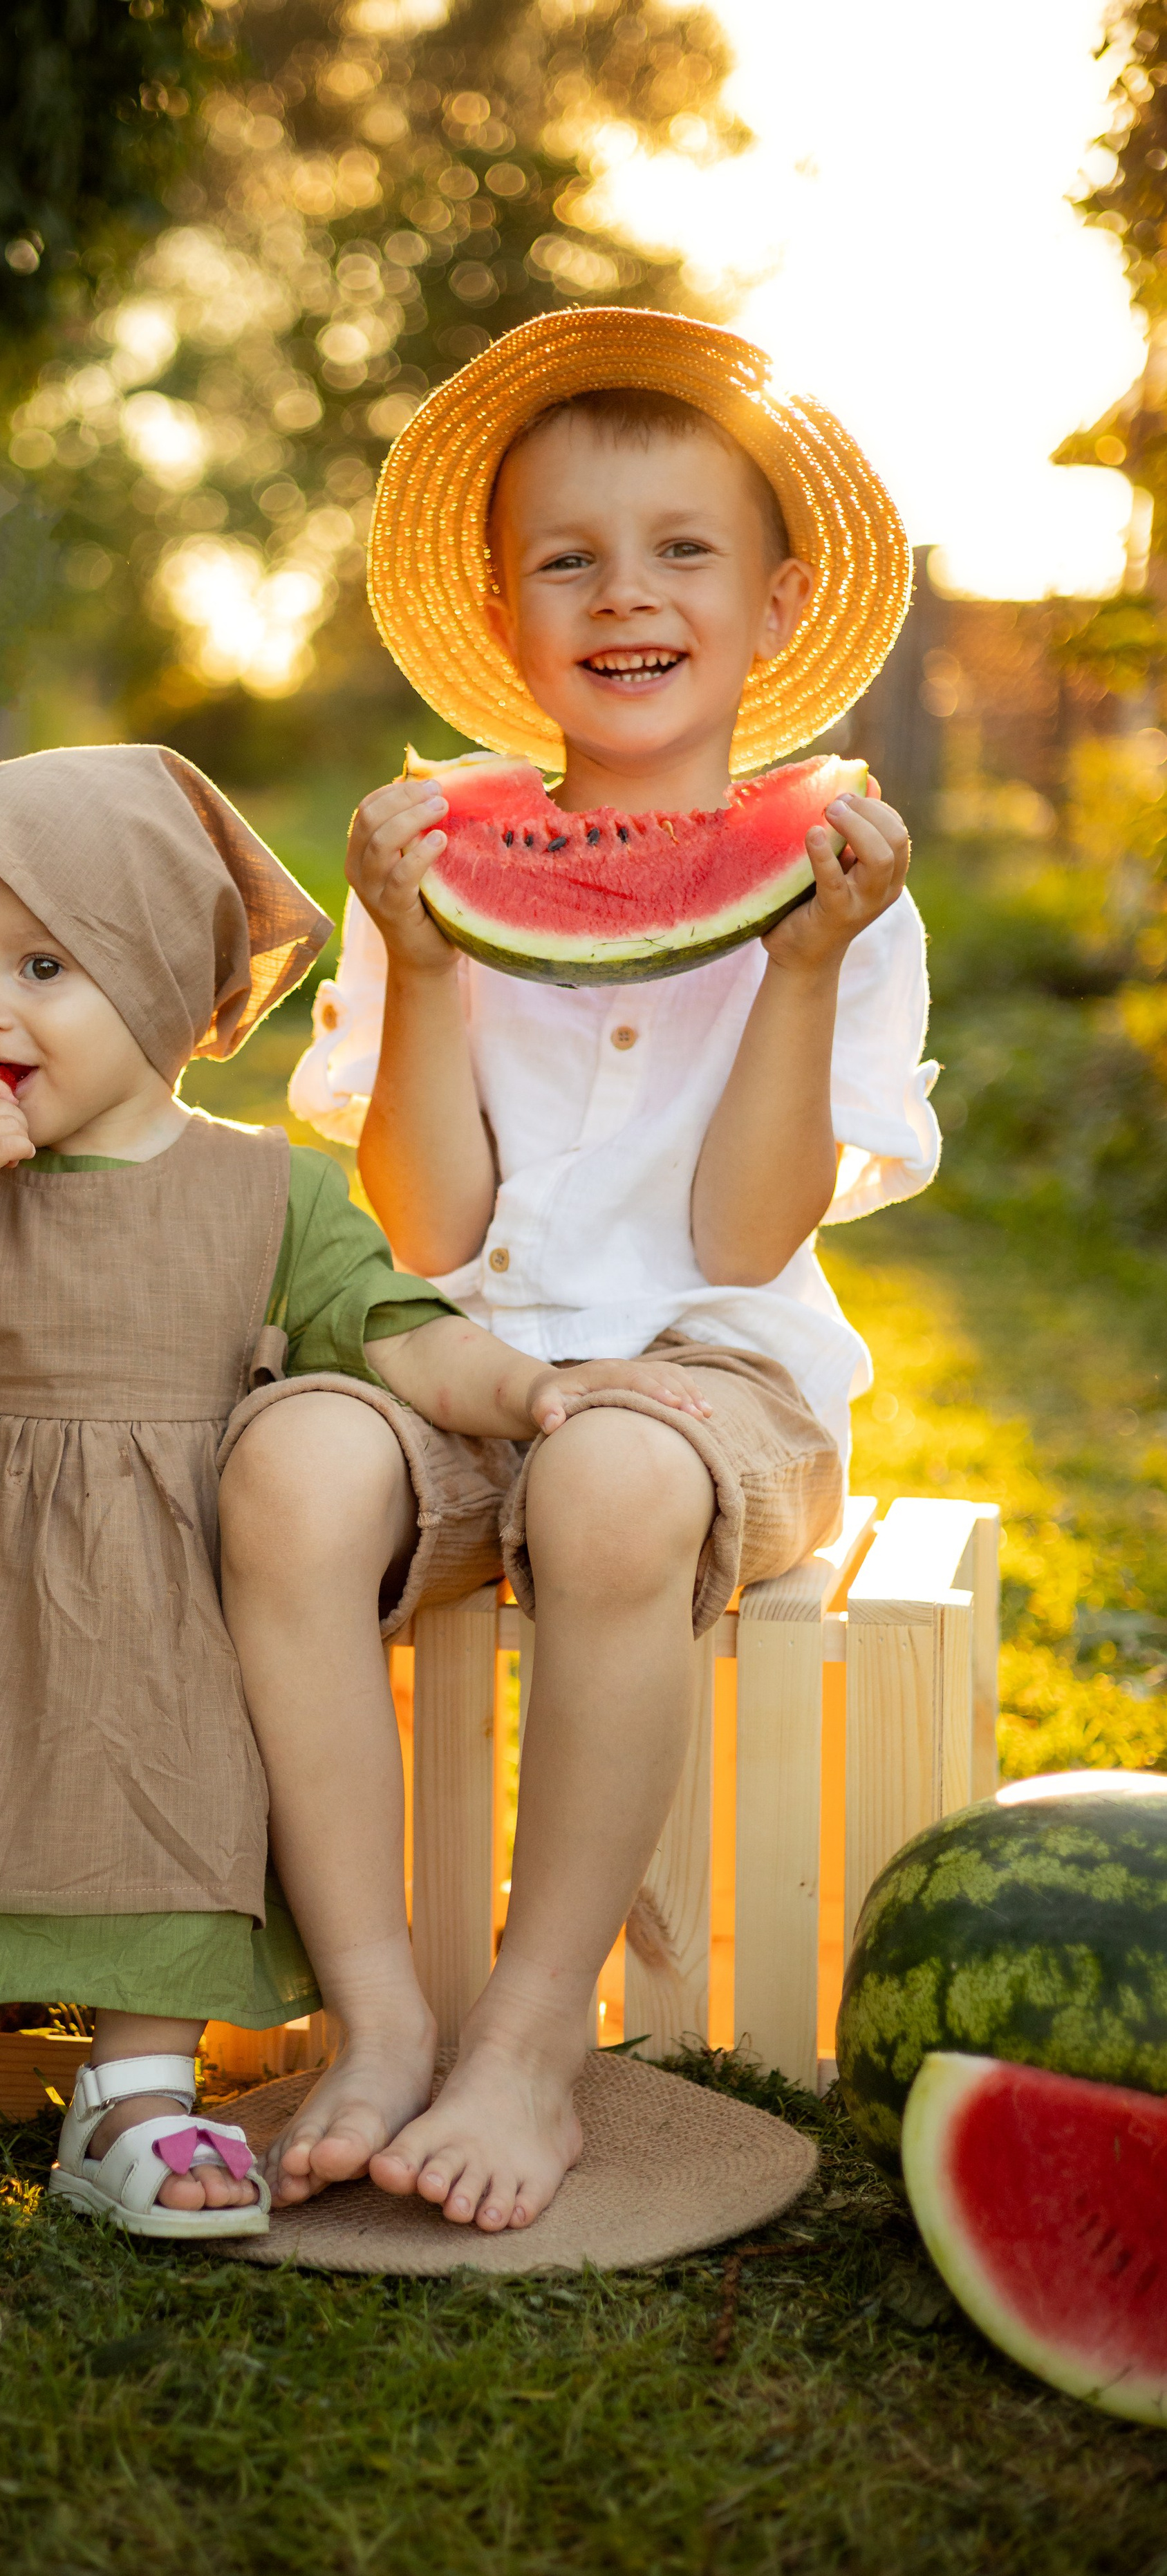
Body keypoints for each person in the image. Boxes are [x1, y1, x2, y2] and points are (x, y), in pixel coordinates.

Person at [0, 743, 606, 2241]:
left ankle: (133, 2096)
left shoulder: (268, 1190)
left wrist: (529, 1393)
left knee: (169, 1807)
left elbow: (396, 1338)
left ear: (150, 981)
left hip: (150, 1577)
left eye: (41, 964)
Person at [216, 308, 940, 2235]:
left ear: (778, 602)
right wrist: (431, 958)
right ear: (507, 607)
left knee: (616, 1478)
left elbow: (738, 1240)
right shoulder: (434, 859)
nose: (628, 596)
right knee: (285, 1465)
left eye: (683, 550)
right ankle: (376, 2014)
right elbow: (431, 1235)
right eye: (572, 558)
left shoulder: (847, 888)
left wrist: (792, 965)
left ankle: (537, 2032)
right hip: (468, 1367)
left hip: (720, 1384)